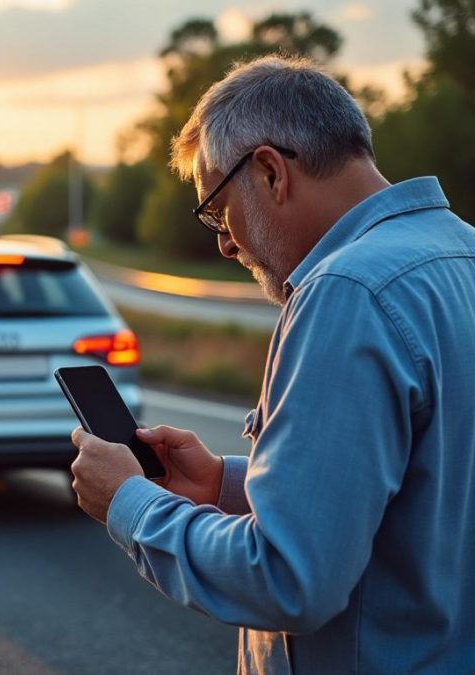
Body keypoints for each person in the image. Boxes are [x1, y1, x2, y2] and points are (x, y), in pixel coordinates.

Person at [69, 55, 475, 674]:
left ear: (269, 172)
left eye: (216, 207)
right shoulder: (461, 255)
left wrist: (128, 501)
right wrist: (226, 487)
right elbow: (431, 497)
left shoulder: (347, 292)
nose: (224, 242)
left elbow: (289, 577)